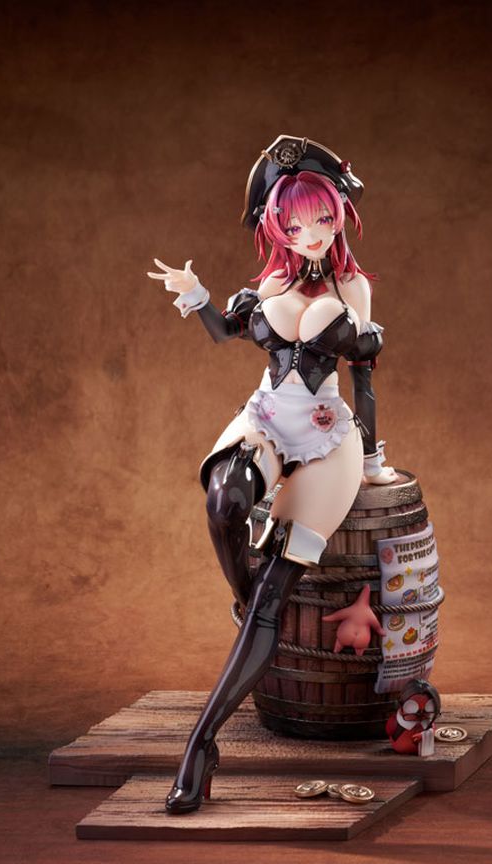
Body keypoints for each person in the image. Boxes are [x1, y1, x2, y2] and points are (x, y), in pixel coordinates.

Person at [147, 135, 395, 814]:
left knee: (274, 594)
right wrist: (195, 295)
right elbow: (227, 332)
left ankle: (201, 745)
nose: (312, 233)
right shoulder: (269, 286)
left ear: (340, 214)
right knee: (224, 500)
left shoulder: (353, 289)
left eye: (323, 218)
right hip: (266, 415)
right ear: (276, 225)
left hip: (327, 434)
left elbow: (363, 377)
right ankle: (244, 595)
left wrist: (373, 457)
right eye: (296, 222)